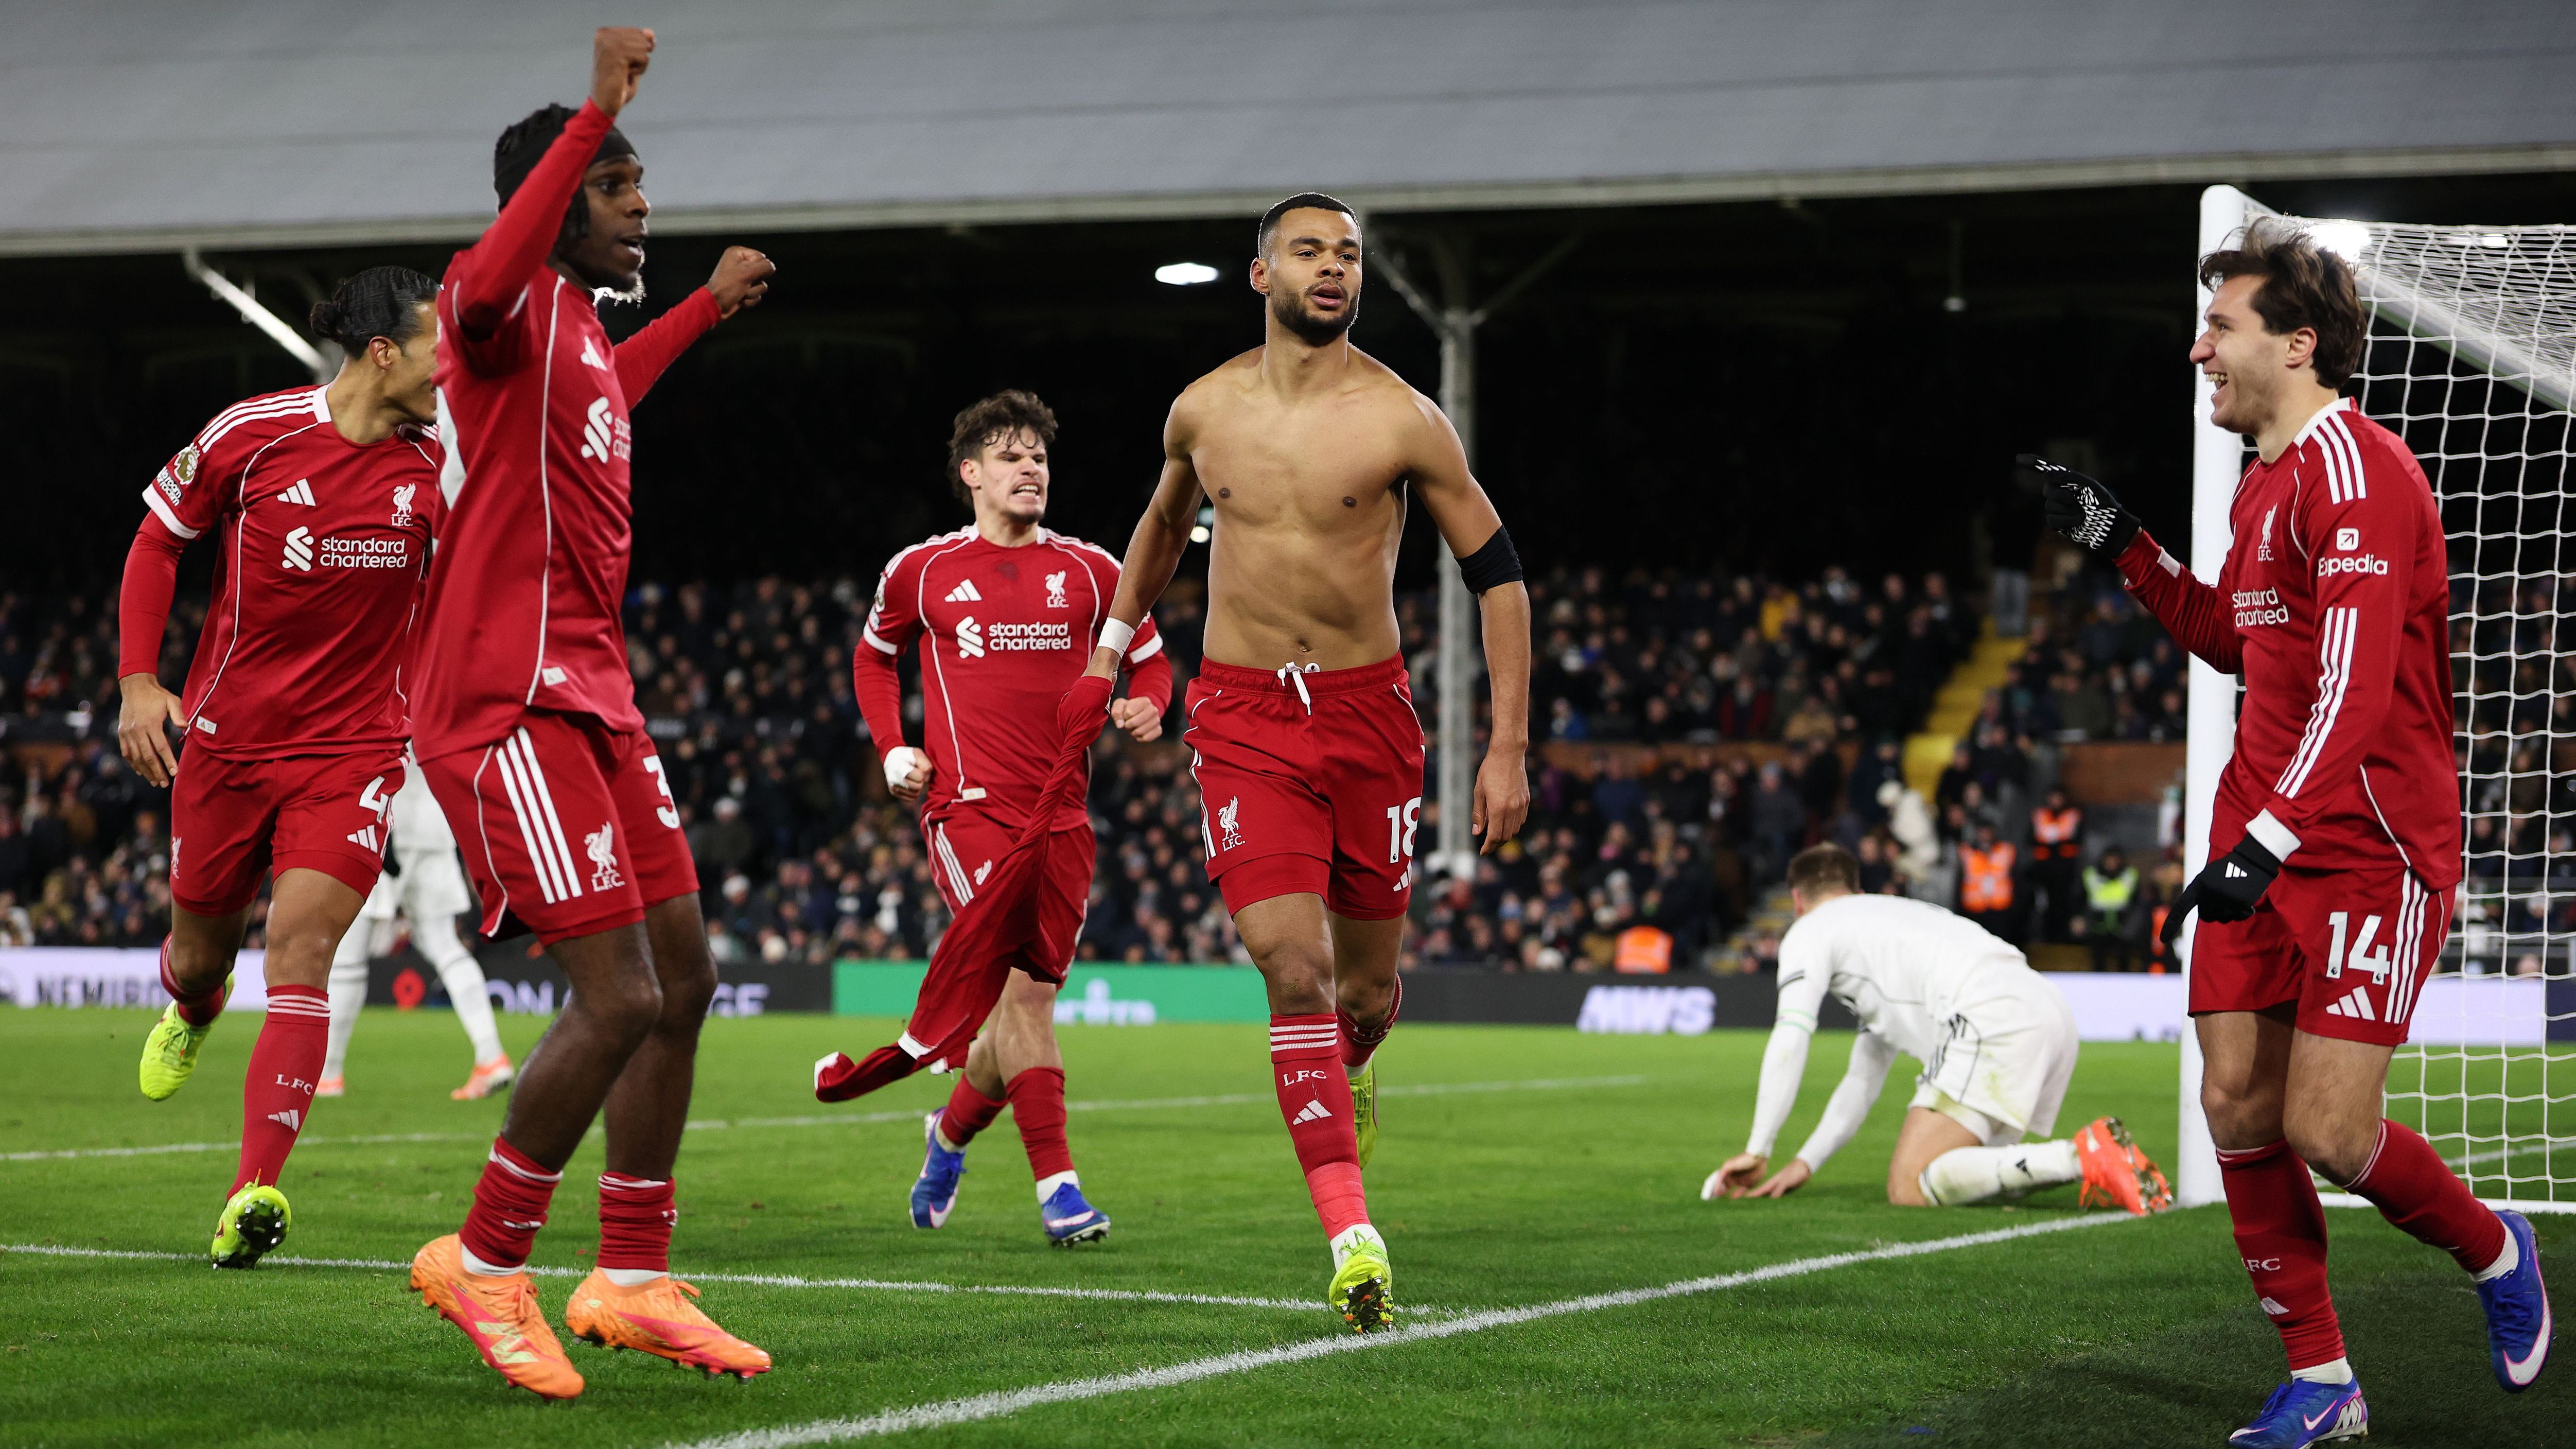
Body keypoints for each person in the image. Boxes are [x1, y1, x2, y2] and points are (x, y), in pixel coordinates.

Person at [2030, 216, 2550, 1444]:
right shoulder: (2263, 483)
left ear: (2298, 343)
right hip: (2262, 828)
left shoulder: (2362, 475)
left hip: (2369, 843)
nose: (2198, 349)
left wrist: (2266, 840)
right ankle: (2323, 1380)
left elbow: (2354, 693)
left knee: (2328, 1132)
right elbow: (2239, 640)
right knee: (2234, 1105)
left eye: (2220, 327)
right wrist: (2126, 545)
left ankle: (2494, 1246)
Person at [398, 28, 778, 1400]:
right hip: (508, 699)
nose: (642, 205)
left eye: (636, 181)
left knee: (683, 980)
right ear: (554, 201)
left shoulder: (576, 335)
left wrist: (706, 310)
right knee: (616, 996)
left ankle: (630, 1275)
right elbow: (489, 269)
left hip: (597, 695)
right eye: (617, 184)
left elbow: (616, 391)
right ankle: (485, 1258)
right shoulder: (490, 307)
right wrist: (596, 108)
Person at [1076, 193, 1531, 1330]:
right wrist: (1110, 649)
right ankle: (1352, 1235)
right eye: (1311, 252)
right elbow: (1161, 526)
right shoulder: (1202, 409)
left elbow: (1499, 576)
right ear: (1261, 274)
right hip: (1241, 719)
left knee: (1364, 995)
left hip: (1368, 719)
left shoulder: (1404, 418)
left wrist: (1507, 746)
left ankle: (1356, 1057)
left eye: (1350, 256)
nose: (1334, 270)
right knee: (1292, 966)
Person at [116, 265, 445, 1268]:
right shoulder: (251, 435)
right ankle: (194, 1006)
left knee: (301, 953)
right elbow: (156, 541)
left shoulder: (441, 468)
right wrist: (139, 682)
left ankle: (252, 1192)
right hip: (227, 747)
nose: (454, 369)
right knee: (201, 958)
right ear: (382, 353)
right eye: (439, 347)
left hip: (353, 755)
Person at [852, 390, 1172, 1243]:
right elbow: (873, 659)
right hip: (969, 813)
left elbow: (1150, 660)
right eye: (1009, 455)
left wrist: (1150, 703)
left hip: (1063, 820)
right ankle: (1060, 1192)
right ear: (971, 474)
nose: (1030, 468)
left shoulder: (1093, 571)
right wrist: (891, 748)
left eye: (1038, 456)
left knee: (1013, 1017)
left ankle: (948, 1135)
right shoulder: (921, 570)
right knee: (1027, 1000)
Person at [1701, 844, 2172, 1214]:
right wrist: (1806, 1161)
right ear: (1856, 887)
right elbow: (1862, 1077)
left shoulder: (1810, 929)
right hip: (2046, 1008)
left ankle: (2080, 1155)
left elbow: (1791, 1033)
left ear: (1797, 900)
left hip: (1988, 1014)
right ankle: (2101, 1163)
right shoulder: (1889, 920)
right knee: (1966, 1181)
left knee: (1908, 1185)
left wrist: (1758, 1147)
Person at [316, 759, 514, 1100]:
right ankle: (491, 1054)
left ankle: (329, 1074)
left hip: (377, 823)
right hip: (433, 828)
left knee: (349, 955)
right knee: (444, 943)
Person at [2028, 787, 2084, 942]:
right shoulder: (2039, 815)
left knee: (2065, 902)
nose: (2056, 801)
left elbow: (2078, 840)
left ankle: (2064, 938)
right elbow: (2030, 839)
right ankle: (2047, 937)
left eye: (2059, 797)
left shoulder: (2073, 815)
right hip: (2044, 869)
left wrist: (2055, 845)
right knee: (2044, 904)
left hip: (2065, 867)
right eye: (2053, 797)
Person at [2077, 845, 2141, 973]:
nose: (2111, 864)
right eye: (2109, 860)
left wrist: (2132, 927)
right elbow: (2079, 900)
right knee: (2098, 961)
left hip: (2122, 927)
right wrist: (2080, 918)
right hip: (2097, 926)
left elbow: (2137, 903)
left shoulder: (2129, 877)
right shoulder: (2091, 876)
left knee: (2124, 960)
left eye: (2114, 860)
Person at [1957, 819, 2018, 942]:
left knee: (2000, 941)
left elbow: (2016, 878)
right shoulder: (1966, 852)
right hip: (1974, 907)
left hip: (2000, 906)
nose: (1985, 836)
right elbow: (1959, 880)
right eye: (1982, 832)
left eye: (1988, 832)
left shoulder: (2006, 851)